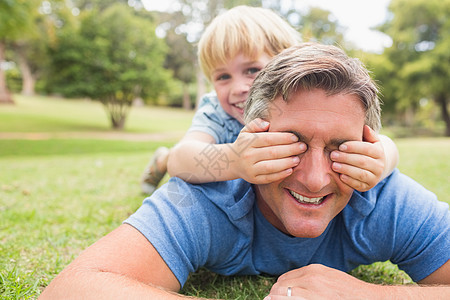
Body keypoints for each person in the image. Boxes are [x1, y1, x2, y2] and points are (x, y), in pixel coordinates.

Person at [40, 43, 450, 299]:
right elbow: (73, 288)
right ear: (251, 134)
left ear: (367, 145)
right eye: (291, 144)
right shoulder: (207, 198)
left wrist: (365, 297)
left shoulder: (380, 194)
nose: (314, 178)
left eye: (341, 149)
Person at [140, 5, 399, 195]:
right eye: (222, 77)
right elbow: (182, 159)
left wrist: (380, 160)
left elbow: (385, 144)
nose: (238, 88)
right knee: (171, 155)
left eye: (252, 70)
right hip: (210, 161)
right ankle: (159, 159)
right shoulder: (216, 111)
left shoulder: (308, 107)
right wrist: (234, 160)